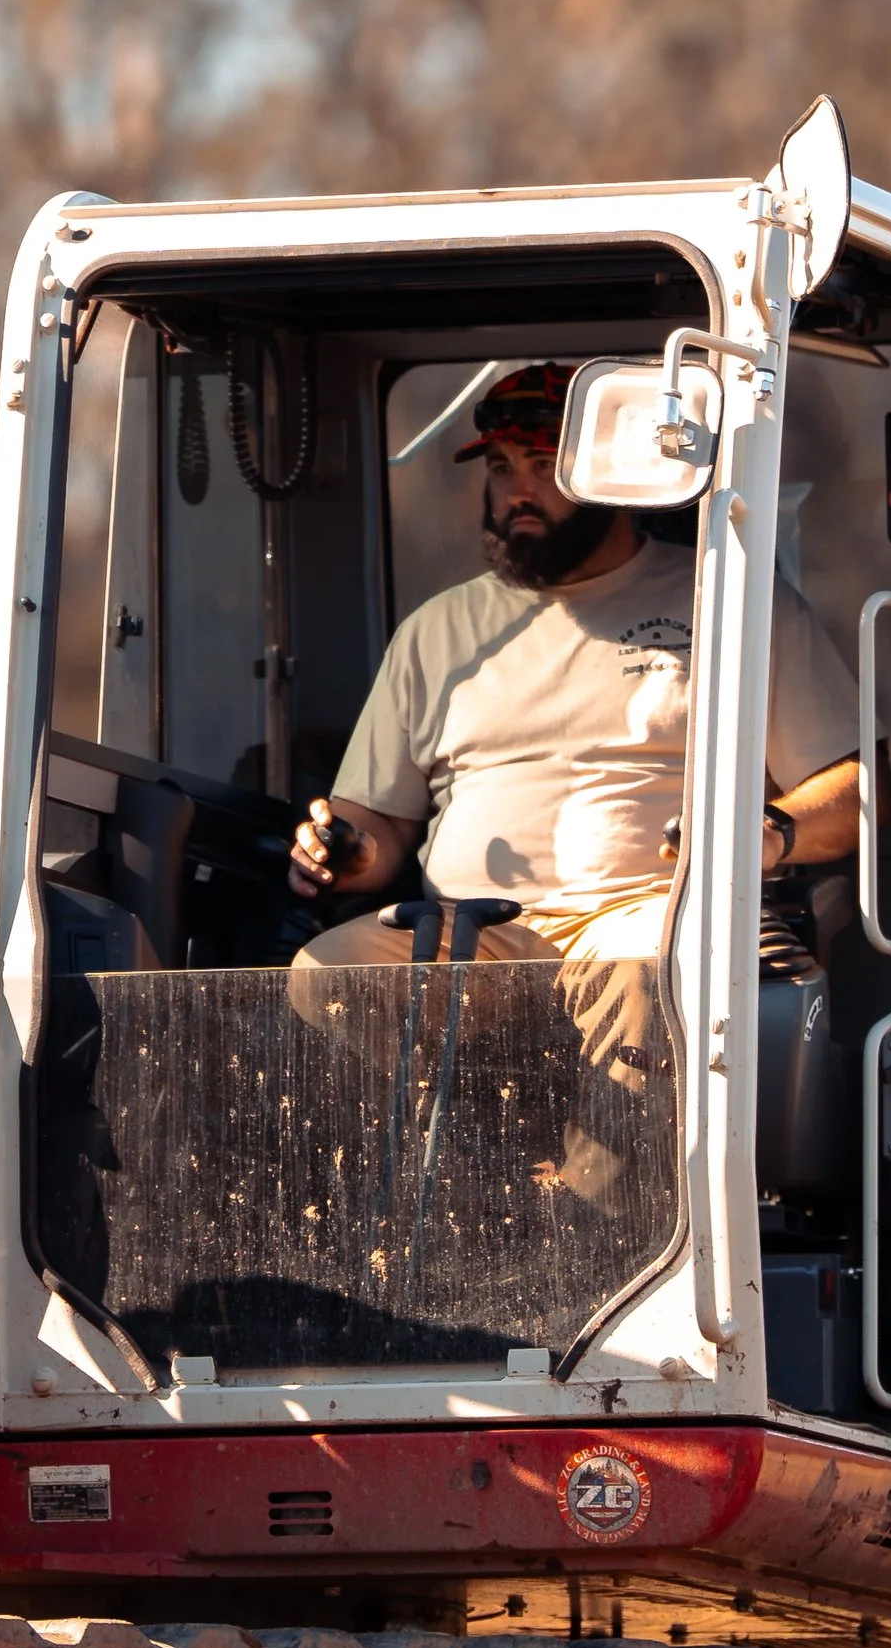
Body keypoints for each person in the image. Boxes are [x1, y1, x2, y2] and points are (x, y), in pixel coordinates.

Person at [286, 363, 861, 1123]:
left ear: (616, 476)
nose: (518, 491)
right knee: (326, 970)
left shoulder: (730, 602)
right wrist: (346, 852)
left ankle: (611, 1222)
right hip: (479, 935)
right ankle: (449, 1193)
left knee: (646, 969)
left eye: (545, 466)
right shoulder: (436, 632)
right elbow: (379, 827)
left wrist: (772, 834)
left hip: (644, 914)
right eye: (501, 467)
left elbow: (857, 792)